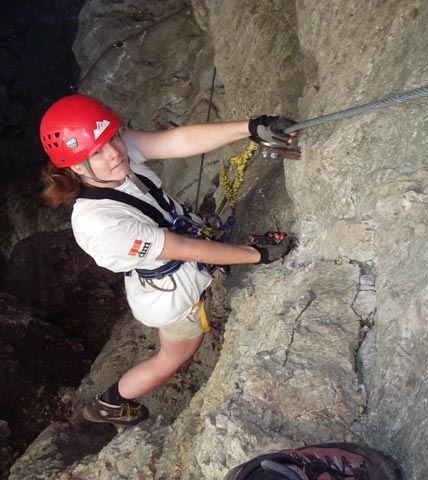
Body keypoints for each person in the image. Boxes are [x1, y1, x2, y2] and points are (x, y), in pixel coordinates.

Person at [39, 94, 296, 427]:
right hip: (174, 296)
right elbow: (184, 248)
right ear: (75, 165)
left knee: (173, 352)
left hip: (177, 259)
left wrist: (251, 127)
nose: (114, 152)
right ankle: (111, 403)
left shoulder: (112, 157)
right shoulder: (100, 224)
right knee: (171, 359)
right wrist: (256, 254)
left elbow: (177, 140)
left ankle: (112, 402)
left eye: (113, 138)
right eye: (97, 152)